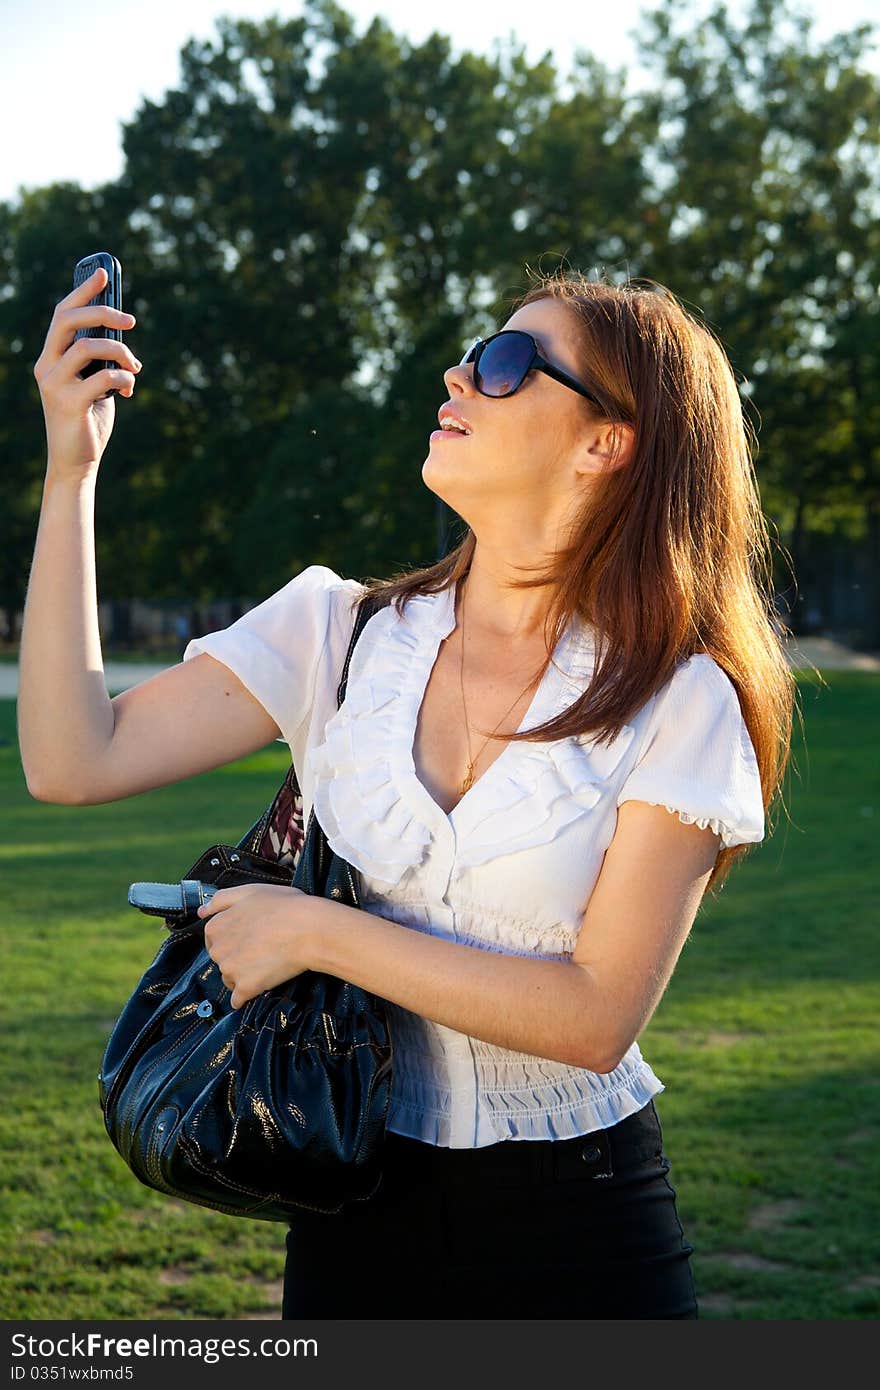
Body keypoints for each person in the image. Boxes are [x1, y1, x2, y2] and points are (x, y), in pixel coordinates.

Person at [21, 262, 795, 1320]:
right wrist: (71, 475)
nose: (459, 374)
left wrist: (312, 932)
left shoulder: (680, 699)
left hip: (584, 1225)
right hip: (347, 1196)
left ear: (603, 443)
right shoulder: (335, 632)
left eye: (507, 361)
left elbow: (593, 1017)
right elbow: (73, 760)